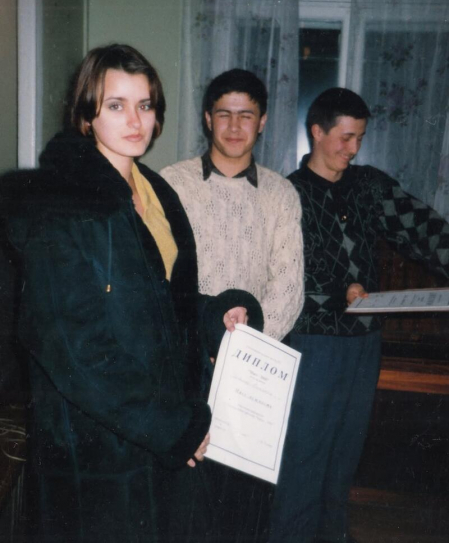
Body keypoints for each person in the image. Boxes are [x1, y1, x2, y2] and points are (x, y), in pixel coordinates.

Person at [0, 44, 256, 543]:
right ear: (86, 114)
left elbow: (165, 301)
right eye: (116, 105)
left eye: (145, 105)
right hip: (97, 444)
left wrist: (218, 313)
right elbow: (75, 350)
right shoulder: (60, 205)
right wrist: (172, 427)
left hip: (156, 427)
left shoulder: (156, 191)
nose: (135, 121)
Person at [269, 87, 449, 543]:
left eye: (360, 138)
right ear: (317, 132)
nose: (353, 149)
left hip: (365, 342)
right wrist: (338, 293)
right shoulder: (288, 194)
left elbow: (422, 228)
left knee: (344, 460)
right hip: (314, 343)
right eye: (346, 137)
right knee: (303, 459)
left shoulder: (370, 185)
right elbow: (285, 275)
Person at [161, 68, 304, 542]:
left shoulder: (281, 194)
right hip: (186, 362)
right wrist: (198, 343)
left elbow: (289, 286)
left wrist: (243, 353)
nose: (235, 126)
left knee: (243, 499)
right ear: (208, 118)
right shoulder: (172, 183)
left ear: (262, 121)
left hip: (251, 367)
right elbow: (161, 275)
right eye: (224, 114)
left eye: (247, 115)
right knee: (186, 492)